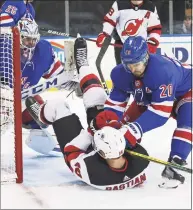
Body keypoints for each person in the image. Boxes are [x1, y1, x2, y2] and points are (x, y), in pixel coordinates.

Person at [25, 37, 150, 190]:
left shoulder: (92, 170)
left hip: (79, 150)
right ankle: (83, 65)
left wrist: (92, 129)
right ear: (122, 149)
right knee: (97, 95)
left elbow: (72, 151)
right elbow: (128, 140)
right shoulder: (141, 162)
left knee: (57, 106)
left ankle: (42, 117)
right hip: (106, 146)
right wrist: (116, 127)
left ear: (100, 153)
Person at [103, 35, 192, 189]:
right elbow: (115, 104)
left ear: (146, 58)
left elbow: (160, 113)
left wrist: (132, 131)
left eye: (136, 64)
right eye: (128, 64)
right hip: (150, 96)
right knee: (121, 126)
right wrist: (108, 126)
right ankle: (117, 154)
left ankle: (176, 164)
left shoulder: (162, 71)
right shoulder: (120, 73)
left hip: (185, 91)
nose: (132, 69)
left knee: (187, 120)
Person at [0, 18, 77, 154]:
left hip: (22, 98)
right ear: (17, 37)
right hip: (3, 98)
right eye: (27, 39)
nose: (31, 44)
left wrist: (76, 85)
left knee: (41, 114)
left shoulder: (42, 52)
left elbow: (58, 75)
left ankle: (39, 141)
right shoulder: (4, 49)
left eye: (33, 39)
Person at [96, 0, 162, 64]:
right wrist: (104, 34)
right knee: (122, 73)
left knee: (141, 73)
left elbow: (155, 28)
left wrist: (151, 44)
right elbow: (109, 21)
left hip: (141, 48)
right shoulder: (119, 4)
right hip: (122, 45)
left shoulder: (150, 6)